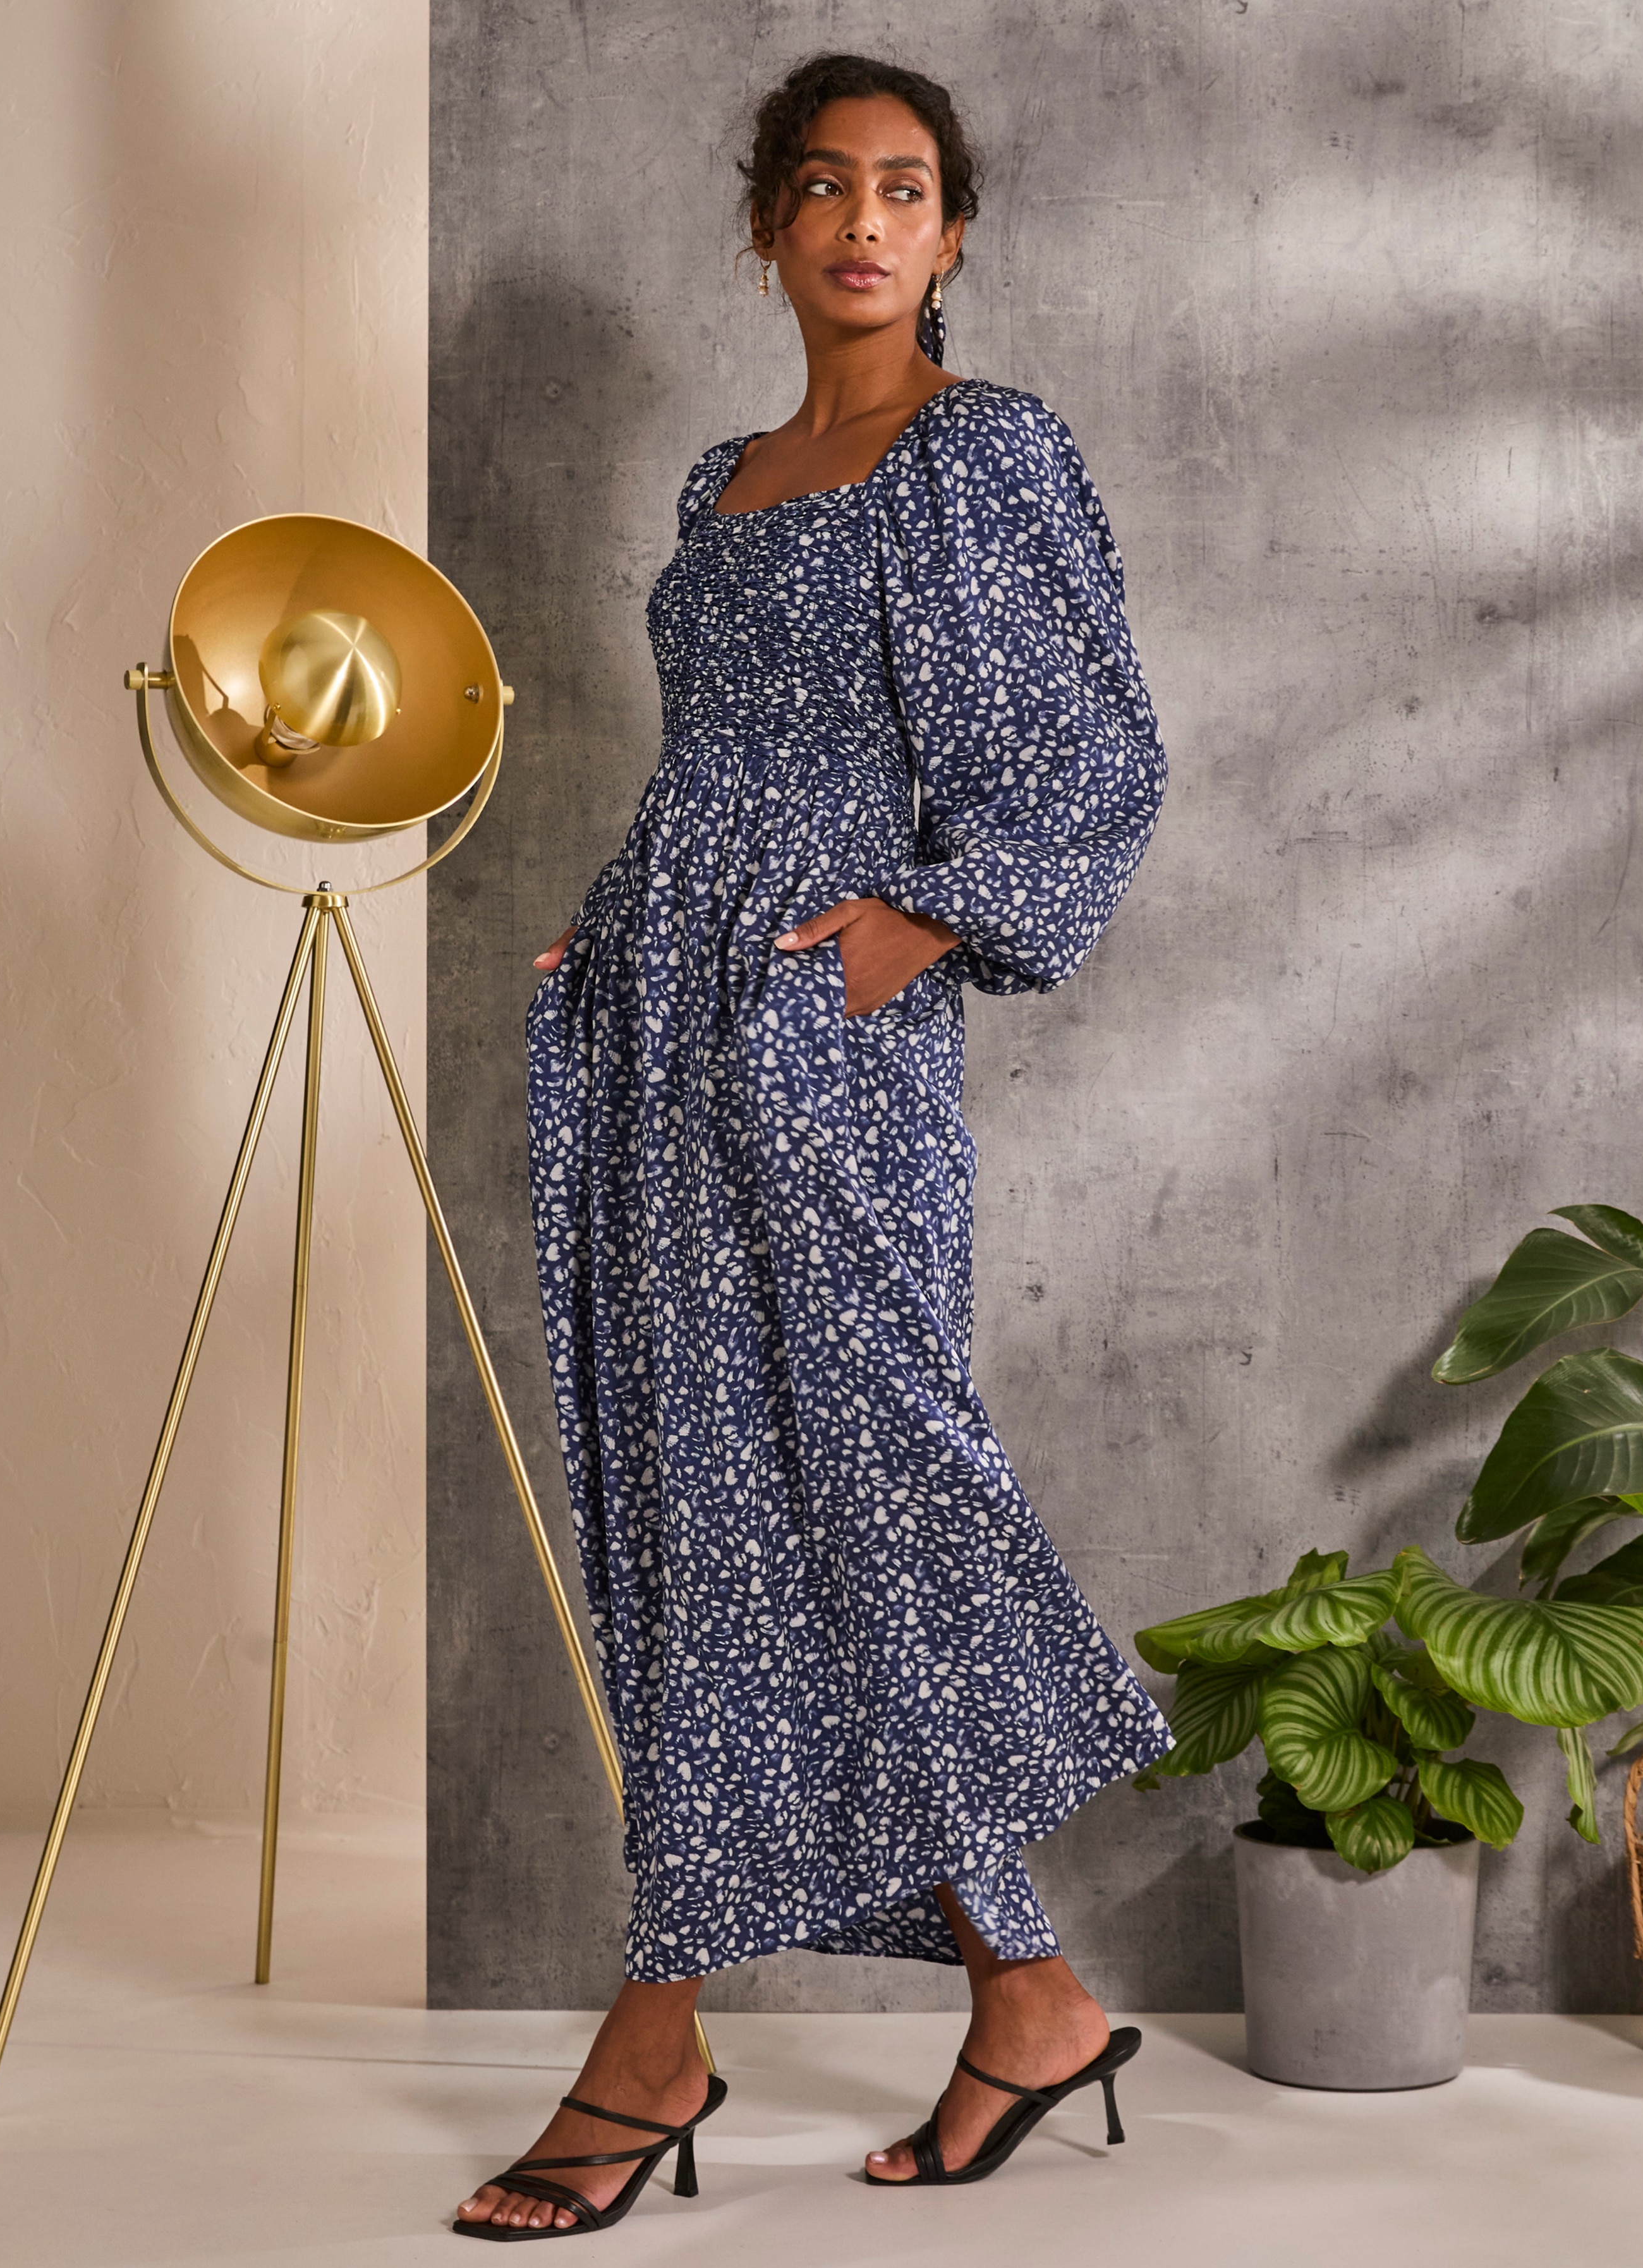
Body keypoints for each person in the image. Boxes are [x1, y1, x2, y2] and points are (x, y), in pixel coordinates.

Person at [455, 49, 1170, 2241]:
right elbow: (723, 761)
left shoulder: (983, 450)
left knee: (864, 1477)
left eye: (908, 188)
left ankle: (652, 2046)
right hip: (664, 1017)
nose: (866, 221)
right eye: (827, 186)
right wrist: (619, 927)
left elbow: (1096, 754)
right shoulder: (726, 478)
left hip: (824, 1041)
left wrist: (920, 923)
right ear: (770, 224)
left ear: (953, 235)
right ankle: (1027, 2001)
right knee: (713, 1501)